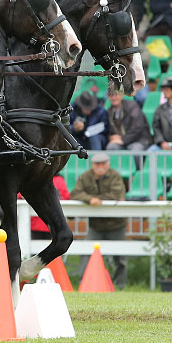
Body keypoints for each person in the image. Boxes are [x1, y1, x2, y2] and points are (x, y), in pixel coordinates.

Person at [69, 152, 128, 290]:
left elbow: (116, 195)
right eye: (97, 164)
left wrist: (95, 199)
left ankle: (119, 286)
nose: (100, 166)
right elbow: (75, 193)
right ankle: (83, 284)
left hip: (116, 224)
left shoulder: (115, 176)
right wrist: (90, 199)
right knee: (86, 252)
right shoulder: (85, 176)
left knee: (120, 258)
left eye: (103, 163)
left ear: (108, 164)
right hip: (95, 226)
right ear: (92, 165)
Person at [105, 90, 152, 161]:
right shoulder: (109, 111)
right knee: (111, 147)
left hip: (138, 140)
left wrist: (123, 140)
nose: (113, 98)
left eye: (116, 95)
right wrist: (111, 137)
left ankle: (139, 168)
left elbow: (138, 127)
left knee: (136, 151)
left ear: (121, 95)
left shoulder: (132, 106)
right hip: (122, 142)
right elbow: (107, 130)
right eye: (111, 95)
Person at [24, 174, 70, 240]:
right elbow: (65, 197)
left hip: (40, 224)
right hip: (47, 224)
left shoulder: (33, 178)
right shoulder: (59, 180)